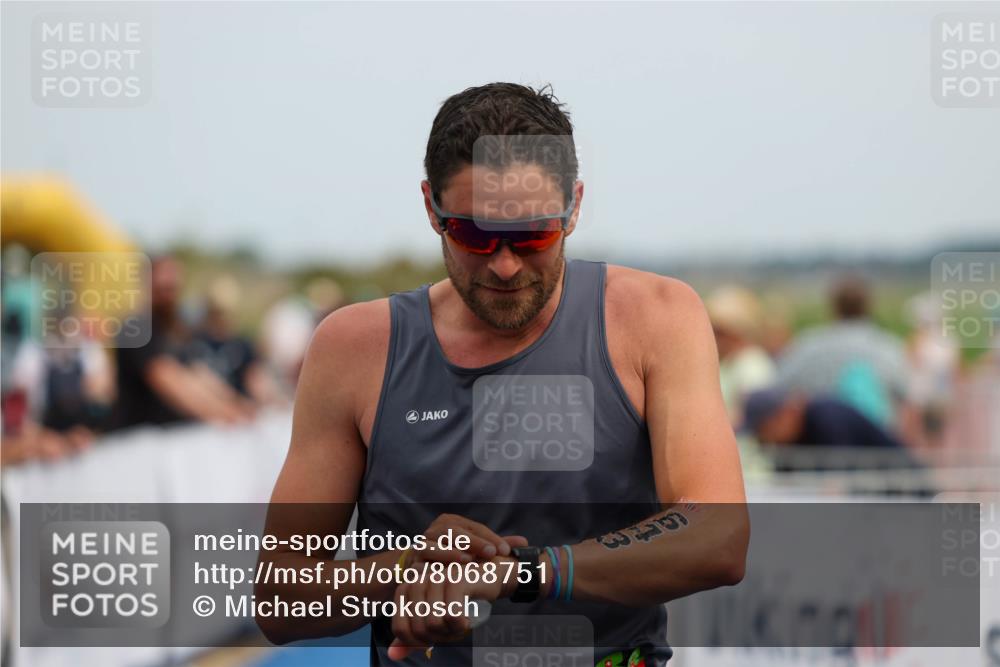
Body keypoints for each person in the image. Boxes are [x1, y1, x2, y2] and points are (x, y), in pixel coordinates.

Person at [258, 83, 748, 666]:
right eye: (473, 234)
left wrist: (522, 573)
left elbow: (719, 539)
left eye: (533, 234)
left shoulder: (656, 318)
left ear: (575, 208)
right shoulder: (355, 347)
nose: (506, 264)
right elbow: (279, 599)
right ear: (429, 208)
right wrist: (409, 570)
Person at [111, 256, 252, 430]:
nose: (169, 295)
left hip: (171, 436)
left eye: (173, 288)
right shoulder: (135, 329)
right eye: (163, 288)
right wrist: (222, 413)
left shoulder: (177, 331)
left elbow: (197, 375)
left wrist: (236, 402)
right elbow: (169, 380)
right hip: (139, 438)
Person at [775, 274, 918, 441]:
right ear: (868, 305)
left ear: (833, 306)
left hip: (821, 449)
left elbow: (779, 388)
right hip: (877, 452)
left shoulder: (807, 347)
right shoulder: (889, 348)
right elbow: (910, 397)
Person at [706, 285, 775, 427]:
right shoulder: (729, 362)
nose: (713, 336)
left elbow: (750, 416)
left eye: (718, 331)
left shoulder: (752, 365)